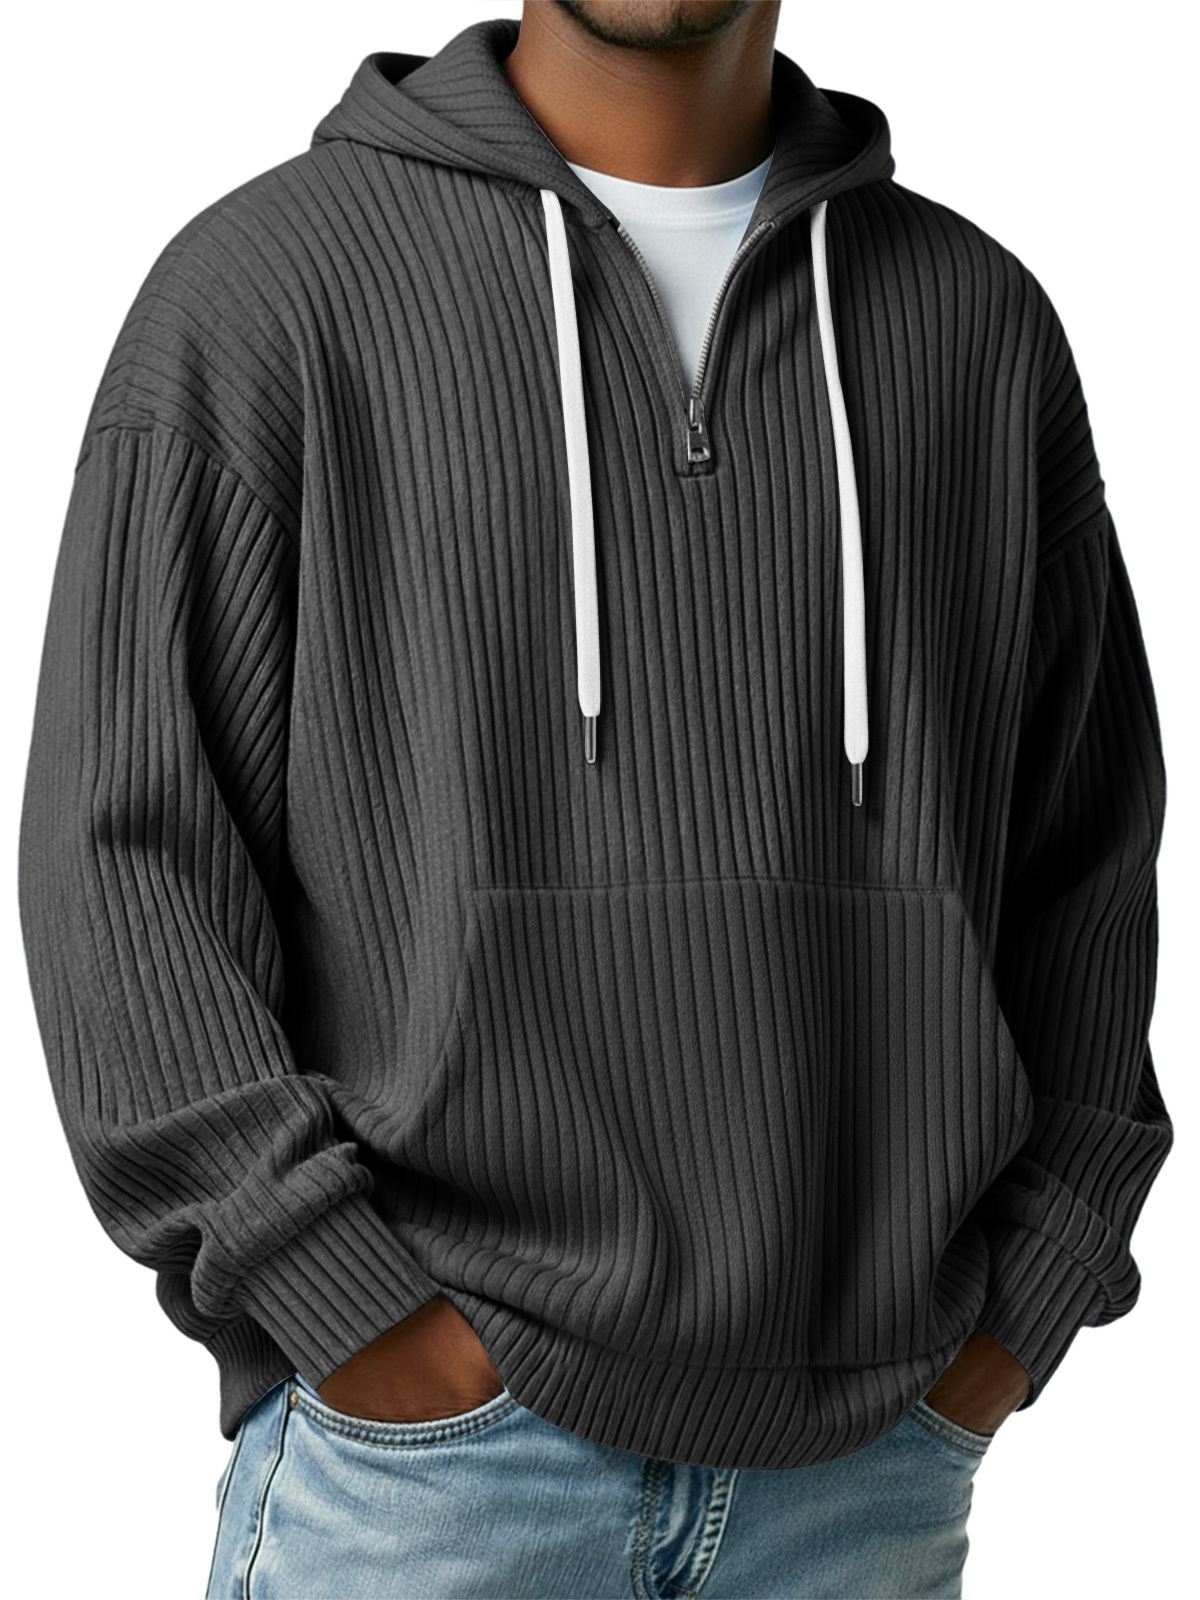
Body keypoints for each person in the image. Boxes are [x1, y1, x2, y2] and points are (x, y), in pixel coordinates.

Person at [16, 4, 1172, 1597]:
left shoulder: (975, 323)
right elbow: (123, 853)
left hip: (867, 1479)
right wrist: (345, 1306)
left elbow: (1086, 864)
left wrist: (1025, 1301)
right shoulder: (268, 288)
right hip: (430, 1478)